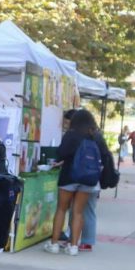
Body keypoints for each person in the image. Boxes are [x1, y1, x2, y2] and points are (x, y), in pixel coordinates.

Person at [44, 109, 103, 257]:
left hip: (69, 176)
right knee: (78, 212)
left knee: (61, 209)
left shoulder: (71, 135)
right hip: (87, 179)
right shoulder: (94, 136)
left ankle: (54, 244)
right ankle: (74, 246)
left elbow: (61, 153)